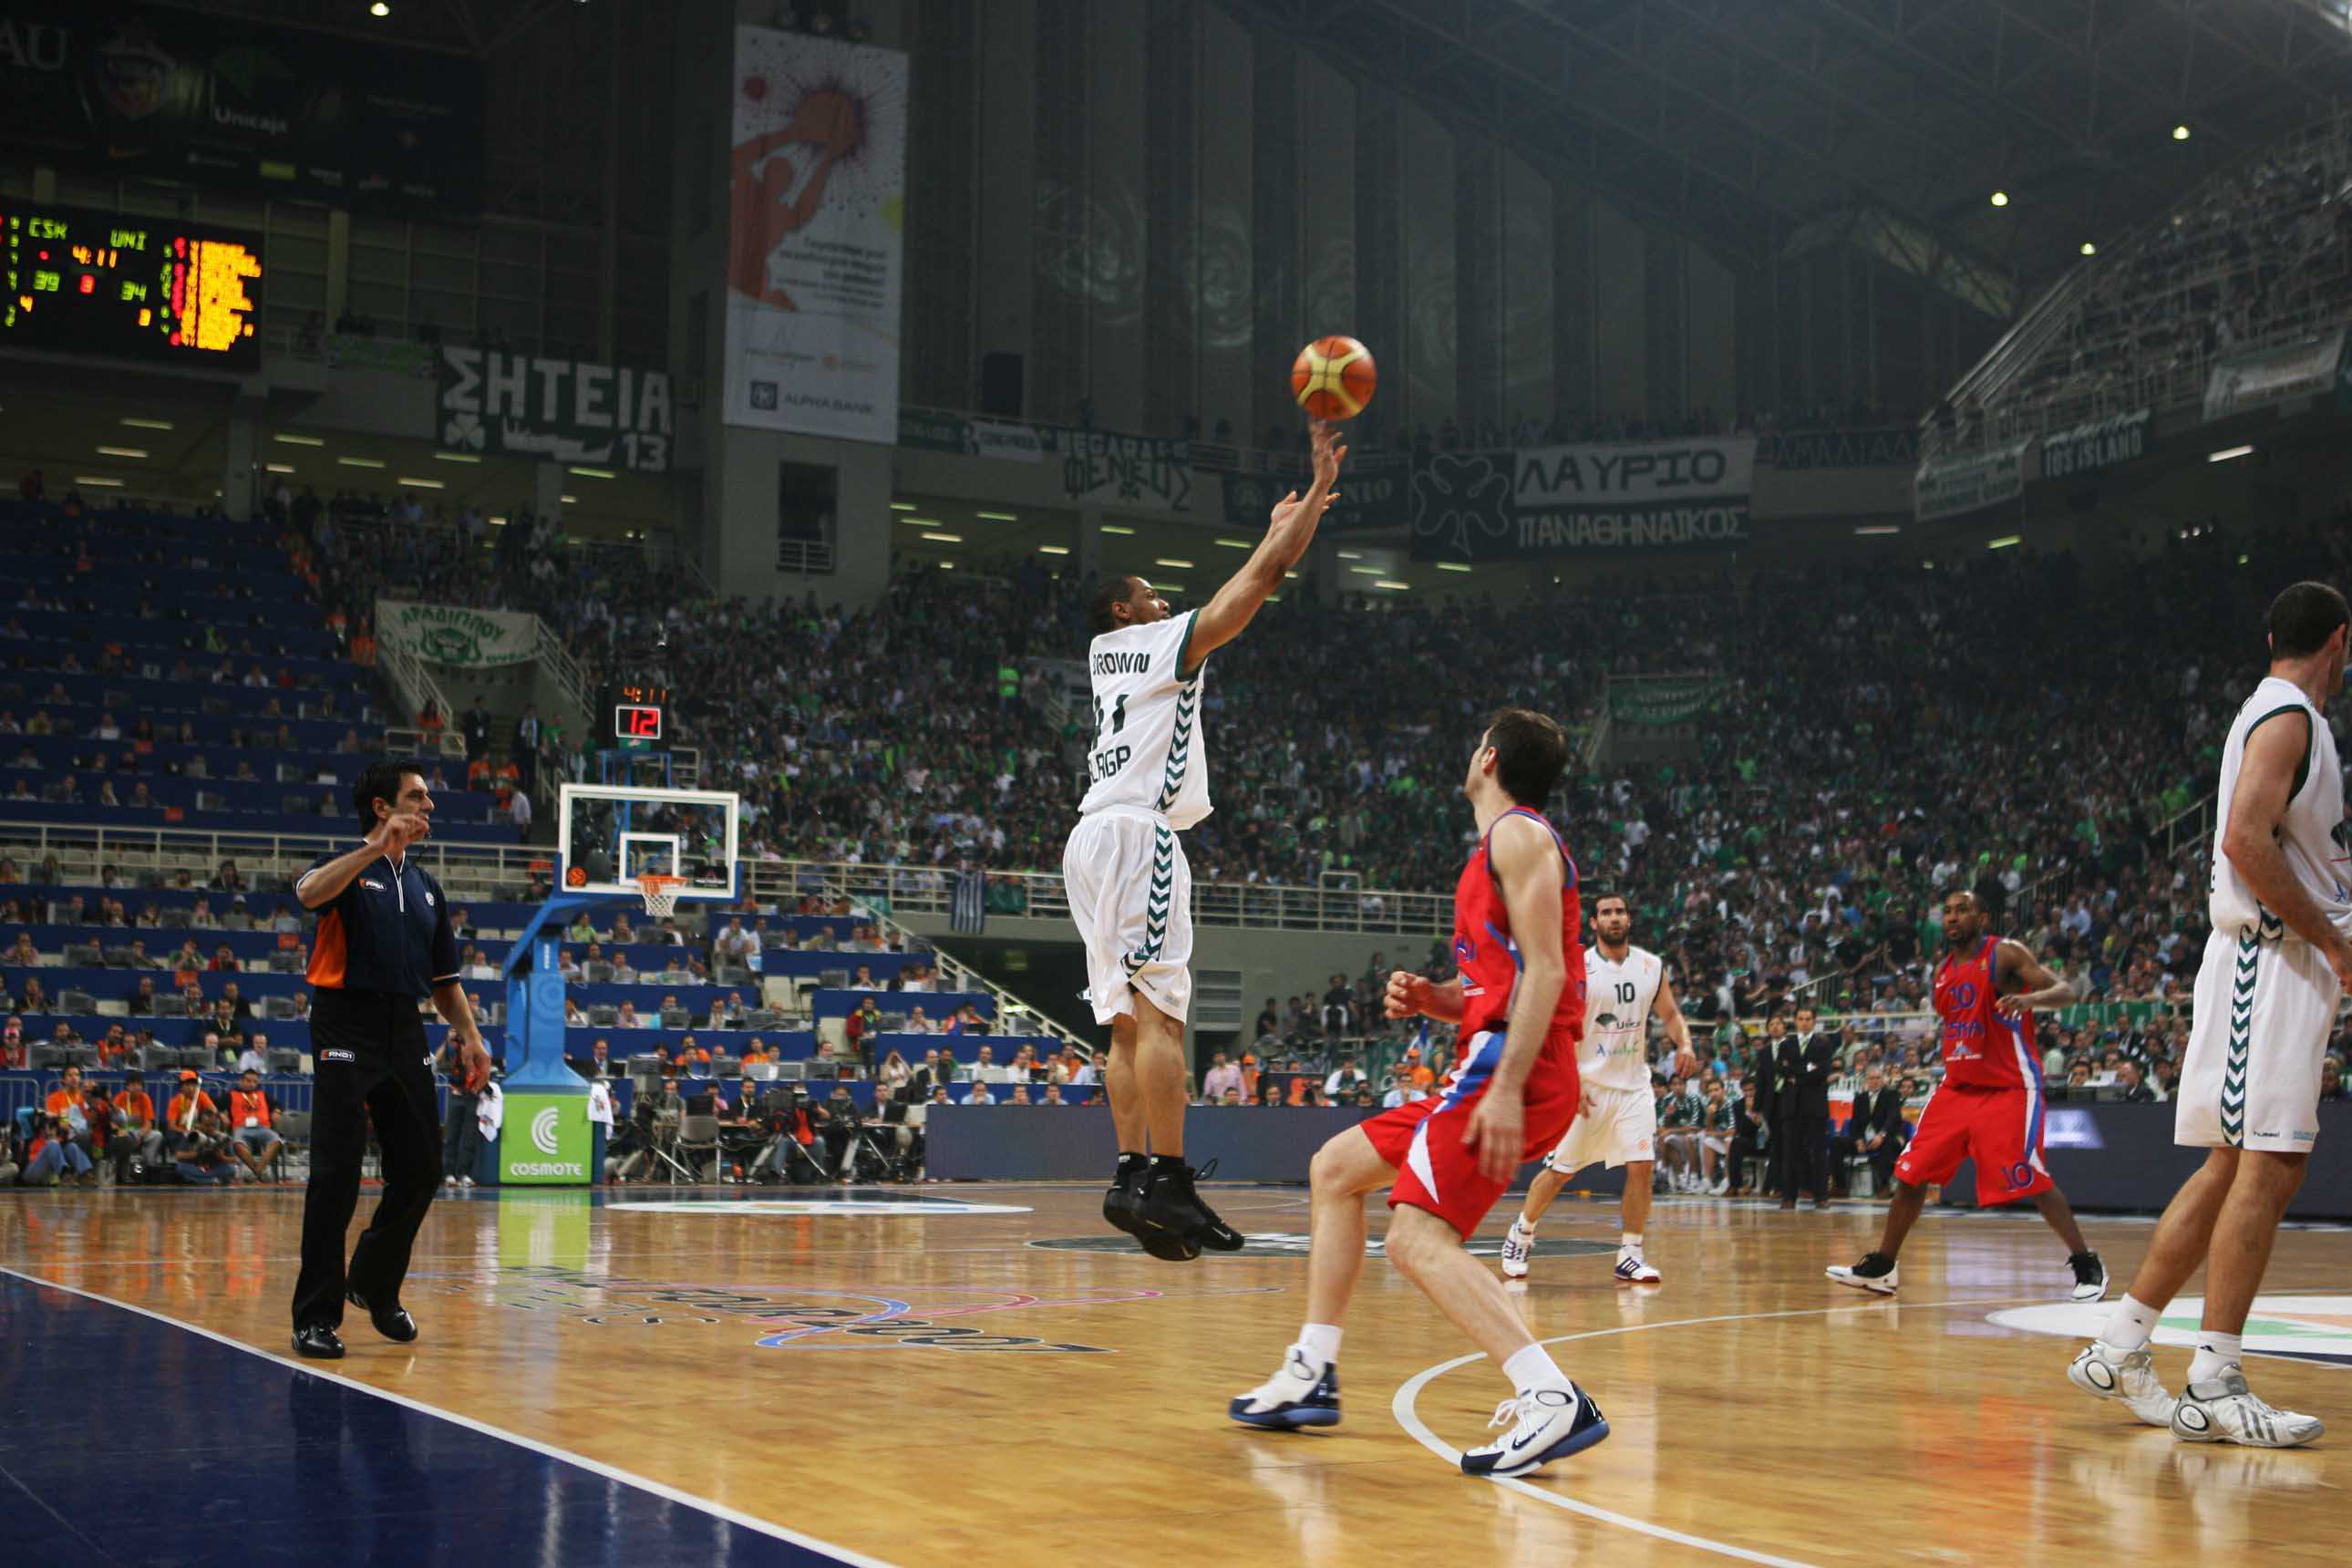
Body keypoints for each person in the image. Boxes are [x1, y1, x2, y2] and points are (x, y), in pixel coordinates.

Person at [1230, 710, 1610, 1479]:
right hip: (1498, 1053)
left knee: (1414, 1239)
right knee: (1336, 1169)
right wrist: (1438, 998)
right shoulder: (1496, 850)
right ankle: (1312, 1370)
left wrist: (1504, 1089)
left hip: (1514, 1065)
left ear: (1489, 757)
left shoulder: (1519, 835)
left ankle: (1549, 1396)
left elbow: (1547, 974)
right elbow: (1497, 982)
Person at [2068, 582, 2352, 1448]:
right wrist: (2334, 945)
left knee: (2241, 1167)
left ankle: (2119, 1346)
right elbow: (2241, 840)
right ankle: (2215, 1377)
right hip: (2269, 960)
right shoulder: (2288, 716)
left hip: (2275, 962)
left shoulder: (2279, 712)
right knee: (2266, 1168)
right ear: (2341, 641)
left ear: (2274, 634)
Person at [1074, 419, 1345, 1263]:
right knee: (1162, 1022)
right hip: (1138, 836)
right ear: (1127, 610)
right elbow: (1261, 582)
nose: (1165, 602)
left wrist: (1274, 528)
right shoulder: (1156, 643)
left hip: (1088, 839)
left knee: (1122, 1026)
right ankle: (1171, 1180)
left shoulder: (1102, 653)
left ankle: (1129, 1177)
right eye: (1152, 593)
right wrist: (1306, 504)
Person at [288, 760, 490, 1360]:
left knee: (424, 1169)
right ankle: (315, 1317)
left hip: (405, 1025)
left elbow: (445, 980)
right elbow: (305, 893)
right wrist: (374, 849)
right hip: (344, 1018)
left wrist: (470, 1035)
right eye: (417, 796)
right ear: (382, 807)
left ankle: (373, 1281)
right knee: (336, 1174)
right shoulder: (351, 870)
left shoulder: (427, 886)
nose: (429, 805)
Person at [1829, 880, 2107, 1302]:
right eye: (1948, 911)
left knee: (2029, 1177)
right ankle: (1883, 1266)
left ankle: (2086, 1262)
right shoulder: (1942, 973)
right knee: (1911, 1174)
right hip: (1957, 1087)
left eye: (1962, 909)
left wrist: (2030, 1002)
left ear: (1982, 918)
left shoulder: (2005, 953)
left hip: (2009, 1085)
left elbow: (2067, 991)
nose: (1953, 917)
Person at [1501, 892, 1697, 1285]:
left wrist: (1686, 1043)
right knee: (1559, 1173)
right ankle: (1521, 1232)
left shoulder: (1651, 966)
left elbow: (1671, 1014)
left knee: (1641, 1168)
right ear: (1593, 923)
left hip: (1634, 1088)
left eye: (1620, 911)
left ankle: (1631, 1252)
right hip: (1587, 1088)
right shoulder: (1578, 968)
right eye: (1606, 913)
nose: (1614, 918)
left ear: (1629, 919)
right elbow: (1554, 1030)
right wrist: (1569, 1081)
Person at [1779, 1006, 1840, 1209]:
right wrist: (1807, 1069)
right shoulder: (1786, 1044)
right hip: (1792, 1107)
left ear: (1814, 1021)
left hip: (1815, 1107)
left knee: (1819, 1153)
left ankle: (1821, 1196)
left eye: (1808, 1019)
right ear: (1795, 1021)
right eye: (1801, 1018)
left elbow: (1822, 1072)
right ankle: (1789, 1197)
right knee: (1790, 1153)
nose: (1804, 1022)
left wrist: (1797, 1074)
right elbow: (1782, 1069)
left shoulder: (1823, 1043)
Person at [1831, 1065, 1906, 1195]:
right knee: (1836, 1142)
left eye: (1878, 1078)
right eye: (1872, 1078)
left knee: (1887, 1143)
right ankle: (1840, 1185)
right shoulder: (1860, 1098)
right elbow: (1854, 1124)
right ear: (1866, 1081)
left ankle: (1884, 1186)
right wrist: (1858, 1140)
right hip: (1865, 1140)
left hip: (1888, 1136)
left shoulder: (1892, 1095)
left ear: (1882, 1079)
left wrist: (1881, 1135)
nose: (1876, 1081)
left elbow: (1892, 1118)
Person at [227, 1068, 284, 1181]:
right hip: (242, 1129)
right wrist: (221, 1114)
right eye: (249, 1081)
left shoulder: (262, 1094)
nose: (252, 1084)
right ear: (241, 1081)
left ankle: (256, 1172)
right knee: (238, 1145)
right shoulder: (231, 1095)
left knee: (277, 1142)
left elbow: (277, 1104)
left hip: (262, 1128)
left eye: (255, 1082)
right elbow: (215, 1105)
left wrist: (276, 1112)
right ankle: (259, 1172)